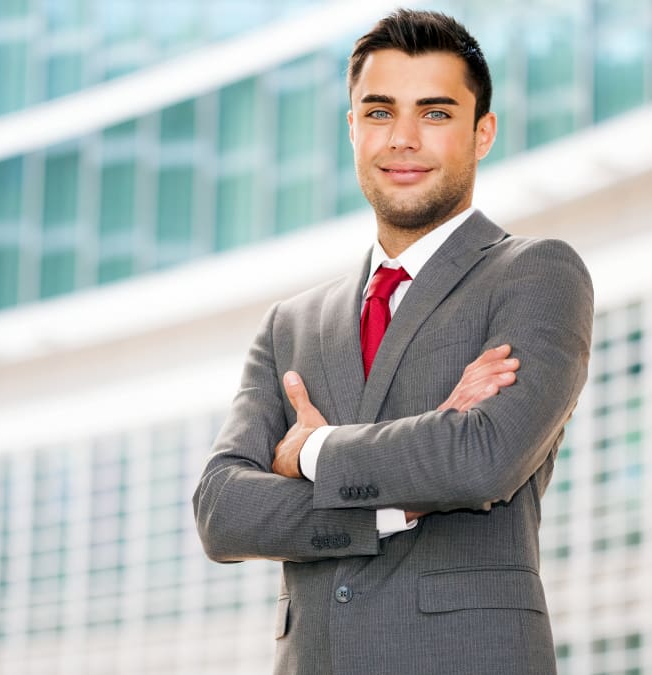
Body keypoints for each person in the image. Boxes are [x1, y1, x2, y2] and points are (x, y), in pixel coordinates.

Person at [192, 9, 593, 674]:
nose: (403, 138)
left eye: (434, 114)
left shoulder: (535, 274)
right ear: (352, 128)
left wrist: (312, 449)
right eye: (379, 113)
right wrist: (391, 504)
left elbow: (483, 457)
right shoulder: (289, 324)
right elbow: (222, 509)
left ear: (482, 132)